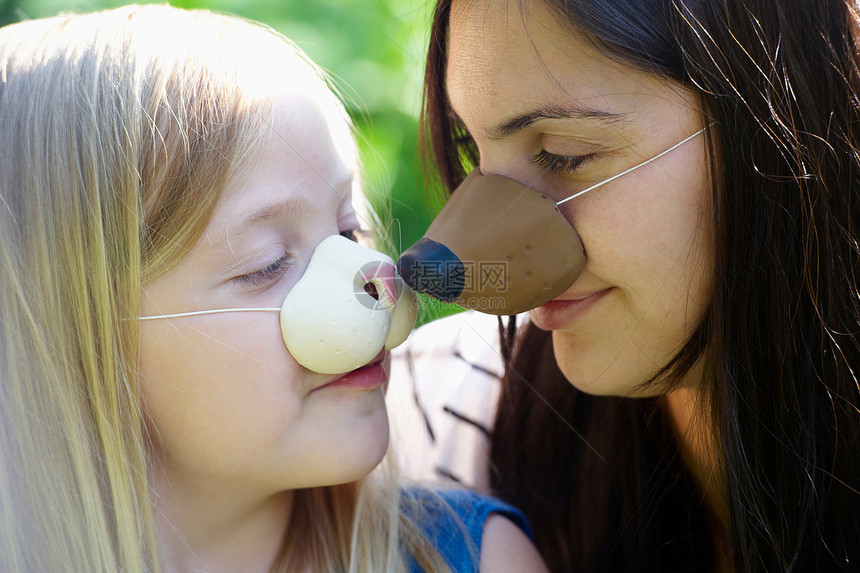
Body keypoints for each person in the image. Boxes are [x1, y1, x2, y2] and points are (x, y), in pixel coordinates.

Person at [0, 5, 550, 572]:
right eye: (265, 265)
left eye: (348, 228)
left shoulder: (477, 559)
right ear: (75, 337)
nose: (377, 277)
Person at [389, 0, 860, 571]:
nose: (479, 249)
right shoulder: (433, 422)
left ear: (779, 125)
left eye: (566, 155)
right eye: (472, 153)